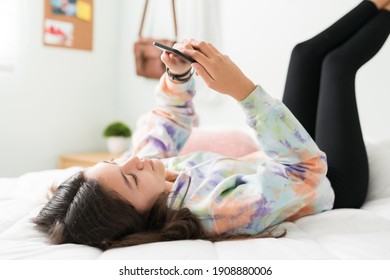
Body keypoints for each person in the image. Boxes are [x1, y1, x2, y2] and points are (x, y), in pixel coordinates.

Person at [33, 0, 390, 250]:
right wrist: (244, 92)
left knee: (304, 55)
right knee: (337, 67)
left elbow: (169, 121)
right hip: (330, 184)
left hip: (288, 159)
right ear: (140, 217)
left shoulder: (147, 177)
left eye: (114, 163)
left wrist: (178, 74)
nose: (132, 161)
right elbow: (308, 173)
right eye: (129, 177)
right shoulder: (220, 211)